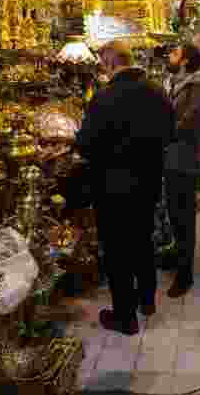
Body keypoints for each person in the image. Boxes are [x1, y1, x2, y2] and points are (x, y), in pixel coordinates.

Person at [75, 40, 176, 335]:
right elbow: (170, 134)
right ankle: (146, 300)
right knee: (143, 241)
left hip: (112, 187)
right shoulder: (157, 92)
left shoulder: (104, 97)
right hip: (147, 182)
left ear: (108, 64)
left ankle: (125, 316)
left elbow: (86, 144)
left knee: (117, 250)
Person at [163, 42, 200, 298]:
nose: (169, 57)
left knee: (183, 217)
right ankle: (178, 259)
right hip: (173, 157)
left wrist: (171, 129)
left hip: (183, 160)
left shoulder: (195, 86)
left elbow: (198, 116)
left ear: (184, 60)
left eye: (173, 53)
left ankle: (185, 274)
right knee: (175, 214)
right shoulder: (178, 82)